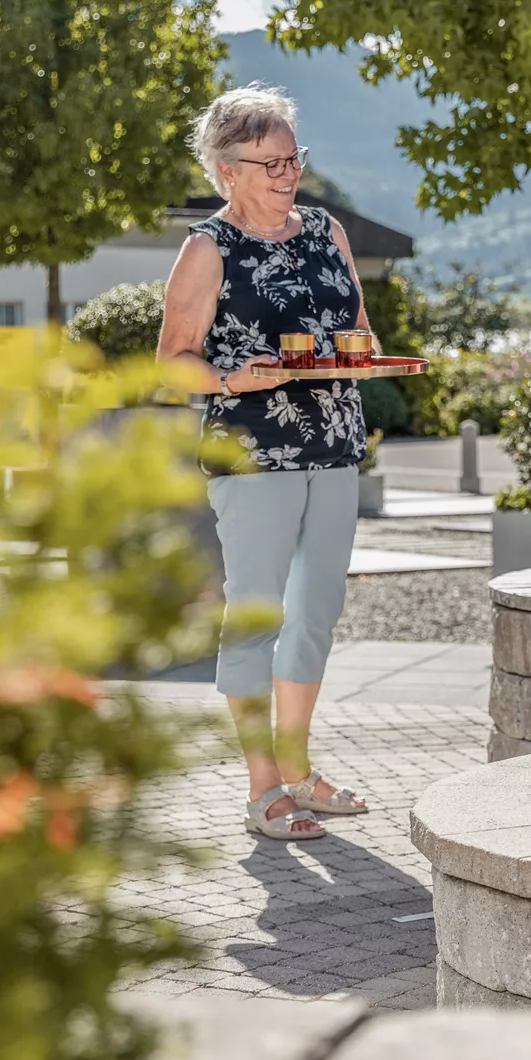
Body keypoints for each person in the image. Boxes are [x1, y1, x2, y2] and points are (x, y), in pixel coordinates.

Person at [157, 82, 373, 842]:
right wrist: (229, 379)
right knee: (256, 615)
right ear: (228, 170)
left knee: (315, 614)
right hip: (253, 455)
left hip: (336, 447)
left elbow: (359, 326)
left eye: (293, 159)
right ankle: (262, 788)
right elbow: (172, 362)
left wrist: (366, 357)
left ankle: (298, 768)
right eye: (271, 163)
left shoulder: (326, 231)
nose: (289, 175)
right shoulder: (207, 249)